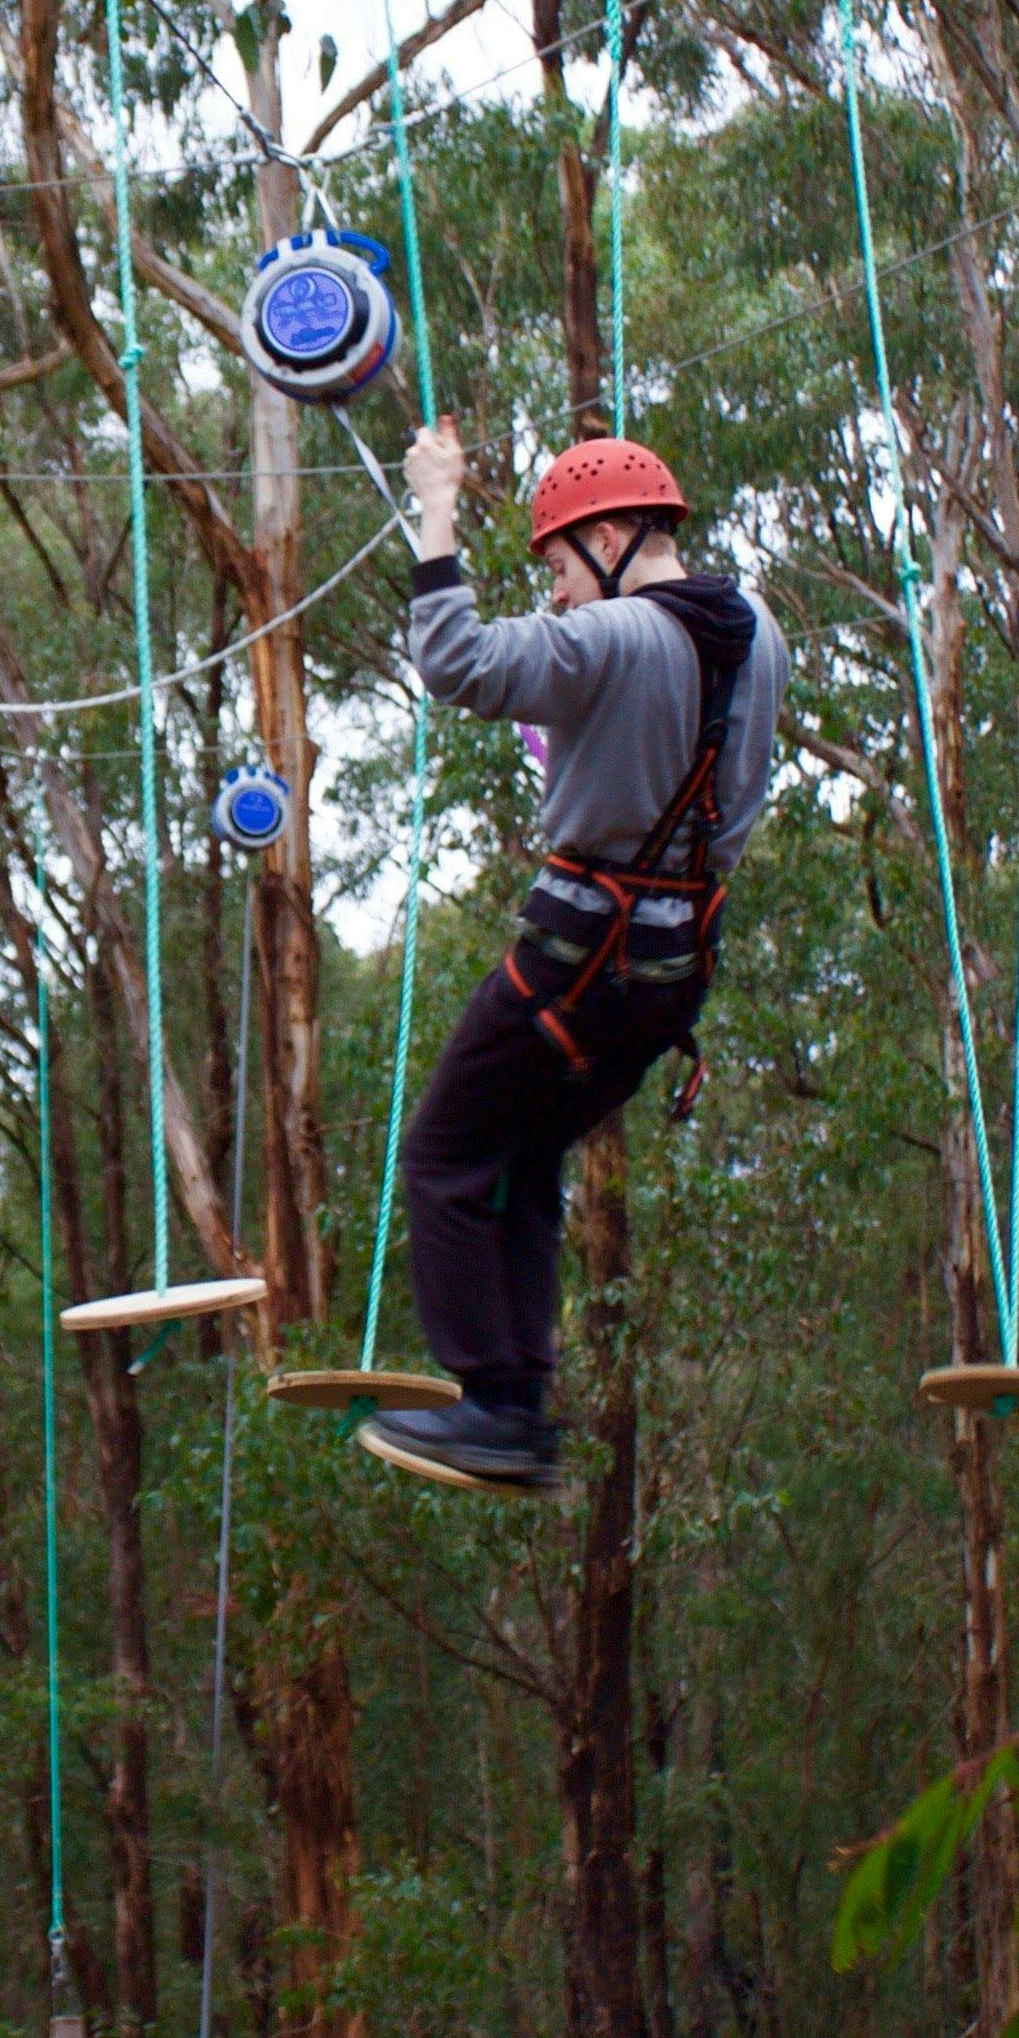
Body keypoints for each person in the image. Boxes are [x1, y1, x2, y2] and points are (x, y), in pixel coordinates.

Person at [359, 423, 787, 1494]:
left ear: (606, 537)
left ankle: (497, 1404)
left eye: (556, 565)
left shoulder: (612, 637)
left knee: (444, 1154)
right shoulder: (759, 635)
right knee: (524, 1156)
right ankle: (517, 1407)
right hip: (666, 981)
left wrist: (436, 505)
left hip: (575, 960)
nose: (554, 592)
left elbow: (454, 660)